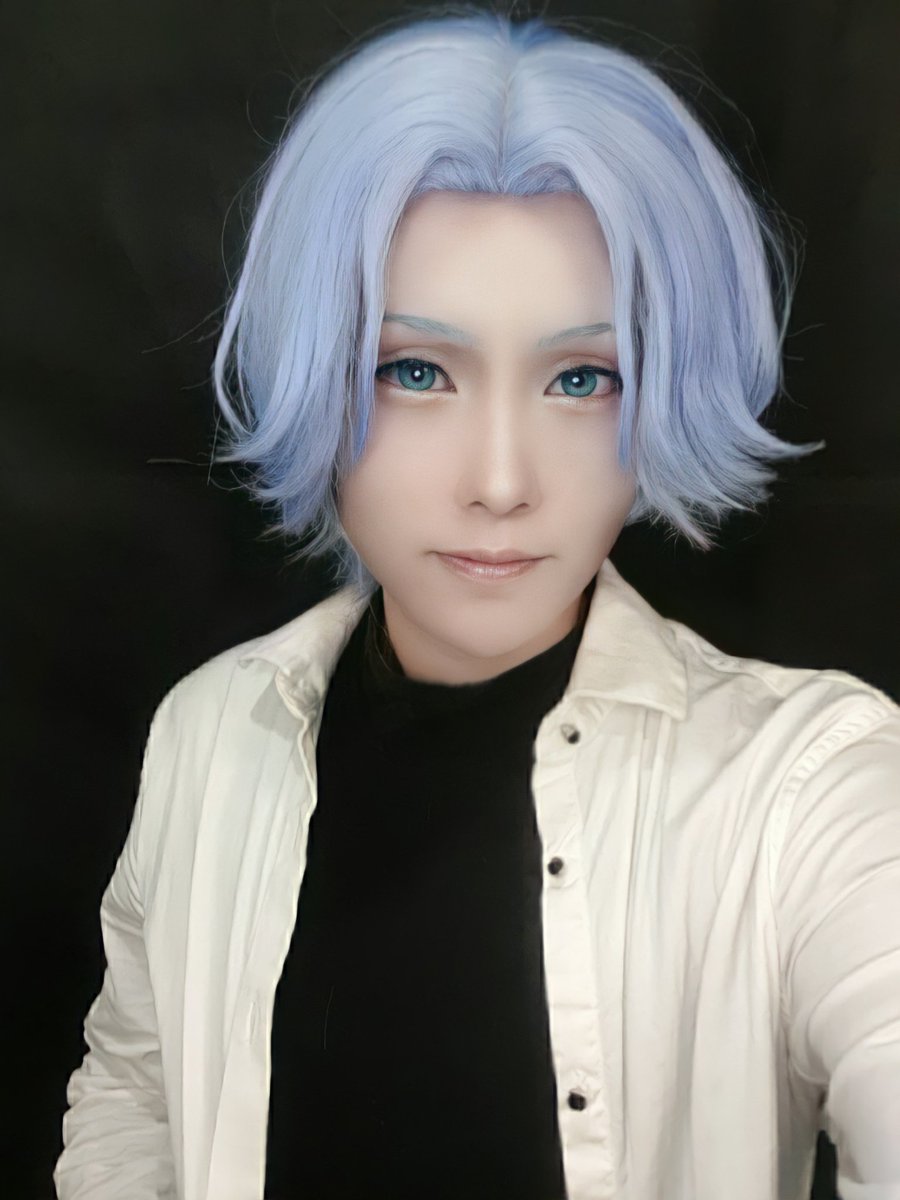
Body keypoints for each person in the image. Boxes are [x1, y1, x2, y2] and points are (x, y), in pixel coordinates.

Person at [54, 6, 900, 1200]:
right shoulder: (210, 737)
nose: (501, 483)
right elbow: (136, 1091)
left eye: (581, 378)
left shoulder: (808, 788)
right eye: (416, 372)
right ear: (318, 369)